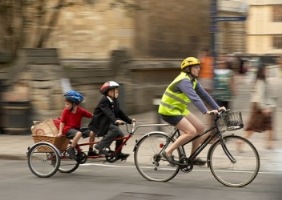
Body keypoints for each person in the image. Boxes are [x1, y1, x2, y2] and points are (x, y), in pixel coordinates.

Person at [158, 57, 225, 166]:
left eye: (199, 67)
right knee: (191, 132)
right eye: (195, 67)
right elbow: (194, 98)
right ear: (188, 69)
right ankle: (168, 152)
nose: (198, 69)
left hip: (179, 109)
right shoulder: (183, 80)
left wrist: (217, 107)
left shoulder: (193, 81)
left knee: (200, 128)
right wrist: (206, 111)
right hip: (168, 110)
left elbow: (204, 95)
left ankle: (192, 157)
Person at [88, 81, 136, 160]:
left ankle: (118, 153)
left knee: (120, 134)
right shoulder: (104, 101)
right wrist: (115, 120)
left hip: (107, 123)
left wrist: (129, 121)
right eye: (115, 91)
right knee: (115, 129)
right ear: (109, 92)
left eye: (117, 91)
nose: (117, 93)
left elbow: (120, 112)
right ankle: (100, 146)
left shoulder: (115, 101)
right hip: (100, 125)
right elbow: (108, 112)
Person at [240, 64, 275, 150]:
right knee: (252, 127)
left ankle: (269, 144)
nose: (267, 72)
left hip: (262, 105)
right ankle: (240, 142)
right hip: (259, 106)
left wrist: (270, 105)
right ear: (262, 72)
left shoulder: (262, 81)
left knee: (269, 125)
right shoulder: (260, 82)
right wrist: (264, 108)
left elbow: (266, 95)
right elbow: (260, 96)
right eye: (266, 70)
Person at [58, 90, 96, 160]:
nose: (65, 106)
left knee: (92, 133)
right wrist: (60, 132)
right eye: (65, 104)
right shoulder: (66, 111)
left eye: (67, 104)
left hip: (77, 129)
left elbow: (91, 115)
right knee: (79, 134)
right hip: (68, 129)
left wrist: (99, 117)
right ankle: (71, 149)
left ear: (74, 104)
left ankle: (90, 150)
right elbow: (62, 122)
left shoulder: (80, 110)